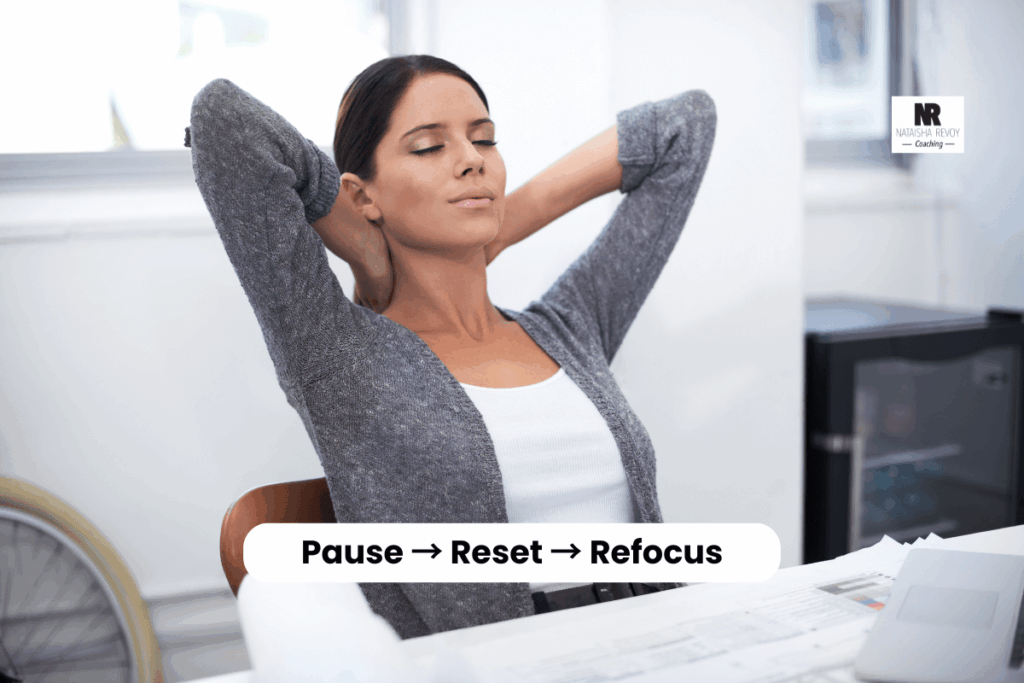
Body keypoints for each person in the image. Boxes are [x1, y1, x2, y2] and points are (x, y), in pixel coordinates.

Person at [186, 54, 716, 639]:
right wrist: (359, 241)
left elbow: (686, 126)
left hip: (663, 641)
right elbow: (224, 121)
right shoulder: (337, 355)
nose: (471, 161)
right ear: (363, 194)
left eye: (484, 140)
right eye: (428, 147)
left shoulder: (572, 325)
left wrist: (507, 220)